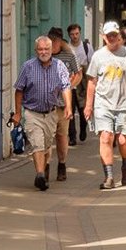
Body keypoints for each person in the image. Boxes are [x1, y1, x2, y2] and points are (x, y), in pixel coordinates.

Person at [84, 21, 126, 189]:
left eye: (114, 35)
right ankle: (109, 177)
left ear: (119, 36)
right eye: (108, 36)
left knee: (123, 140)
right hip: (103, 105)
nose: (112, 38)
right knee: (106, 137)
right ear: (103, 37)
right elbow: (92, 82)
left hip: (124, 104)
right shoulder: (97, 56)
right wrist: (89, 106)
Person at [12, 36, 72, 191]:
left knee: (46, 145)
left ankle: (43, 170)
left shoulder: (59, 66)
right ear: (35, 50)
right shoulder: (28, 67)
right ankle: (40, 175)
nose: (43, 52)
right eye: (40, 49)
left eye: (46, 49)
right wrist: (18, 113)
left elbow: (66, 87)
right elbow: (19, 90)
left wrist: (68, 107)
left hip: (51, 113)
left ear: (52, 50)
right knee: (37, 144)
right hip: (32, 113)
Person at [48, 27, 82, 180]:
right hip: (46, 104)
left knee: (62, 136)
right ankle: (45, 167)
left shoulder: (68, 55)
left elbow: (78, 74)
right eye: (51, 41)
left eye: (55, 42)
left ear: (60, 41)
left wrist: (69, 85)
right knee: (46, 138)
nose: (52, 45)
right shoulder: (45, 53)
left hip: (62, 104)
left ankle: (62, 164)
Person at [66, 23, 90, 144]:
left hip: (83, 82)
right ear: (69, 35)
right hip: (70, 80)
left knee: (82, 109)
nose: (75, 36)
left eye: (77, 34)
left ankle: (83, 129)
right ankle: (72, 137)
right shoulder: (67, 47)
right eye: (72, 34)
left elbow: (91, 64)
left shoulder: (86, 47)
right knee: (70, 108)